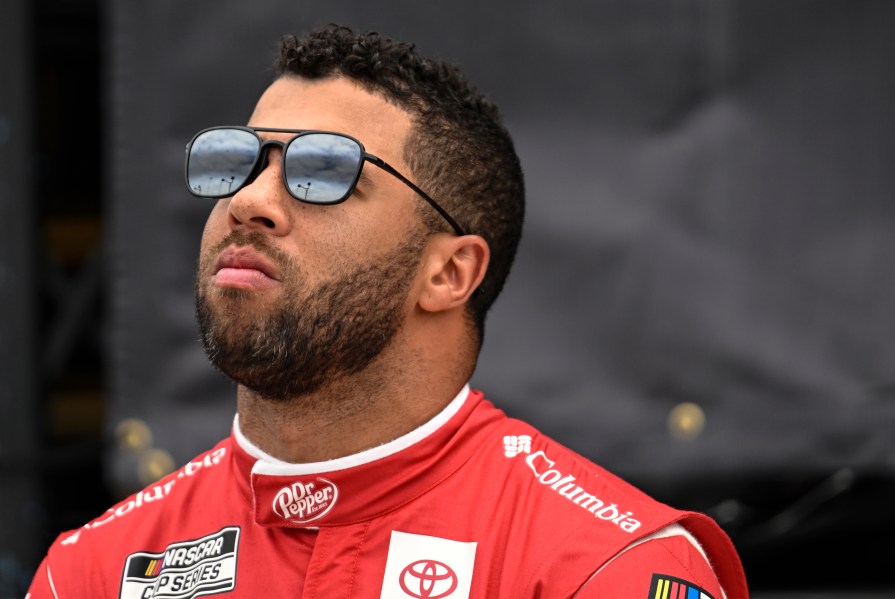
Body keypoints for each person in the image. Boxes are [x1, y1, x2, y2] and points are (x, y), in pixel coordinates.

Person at [28, 24, 747, 598]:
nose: (248, 201)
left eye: (322, 172)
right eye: (240, 160)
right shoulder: (93, 571)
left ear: (449, 271)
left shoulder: (602, 568)